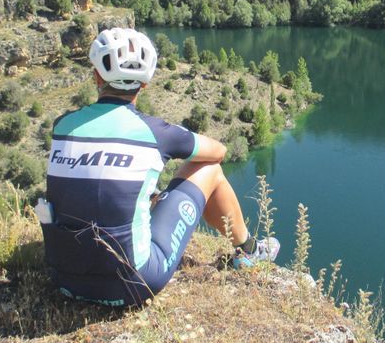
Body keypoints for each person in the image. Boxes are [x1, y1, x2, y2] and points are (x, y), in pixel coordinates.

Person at [40, 27, 279, 307]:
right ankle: (249, 251)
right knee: (210, 169)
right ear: (144, 84)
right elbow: (219, 151)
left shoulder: (63, 125)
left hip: (63, 279)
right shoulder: (156, 132)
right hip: (134, 284)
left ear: (96, 77)